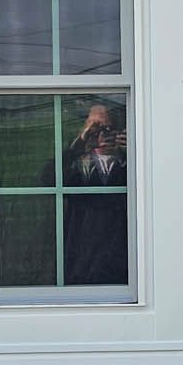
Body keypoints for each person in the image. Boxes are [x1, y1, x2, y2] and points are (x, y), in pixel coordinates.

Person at [60, 100, 129, 286]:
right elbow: (49, 179)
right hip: (83, 254)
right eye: (95, 128)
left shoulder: (129, 162)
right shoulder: (78, 164)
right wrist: (80, 143)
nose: (102, 134)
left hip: (121, 257)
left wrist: (132, 153)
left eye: (107, 128)